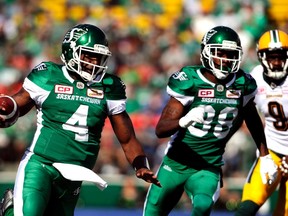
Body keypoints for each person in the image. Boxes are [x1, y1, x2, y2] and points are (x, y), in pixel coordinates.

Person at [0, 23, 161, 216]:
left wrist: (140, 165)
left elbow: (126, 138)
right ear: (71, 52)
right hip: (42, 163)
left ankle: (9, 210)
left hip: (75, 171)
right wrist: (7, 108)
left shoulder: (110, 87)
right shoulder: (48, 75)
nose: (94, 62)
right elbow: (18, 103)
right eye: (88, 55)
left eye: (98, 57)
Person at [142, 25, 278, 216]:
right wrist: (183, 120)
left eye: (230, 54)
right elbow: (161, 129)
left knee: (203, 205)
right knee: (152, 212)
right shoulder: (190, 80)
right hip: (175, 162)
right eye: (220, 53)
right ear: (206, 53)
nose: (225, 60)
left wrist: (264, 156)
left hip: (208, 165)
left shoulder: (242, 83)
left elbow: (252, 118)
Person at [235, 29, 288, 216]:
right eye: (271, 57)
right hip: (271, 152)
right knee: (246, 207)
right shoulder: (255, 77)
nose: (276, 62)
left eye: (281, 56)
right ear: (261, 57)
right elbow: (241, 111)